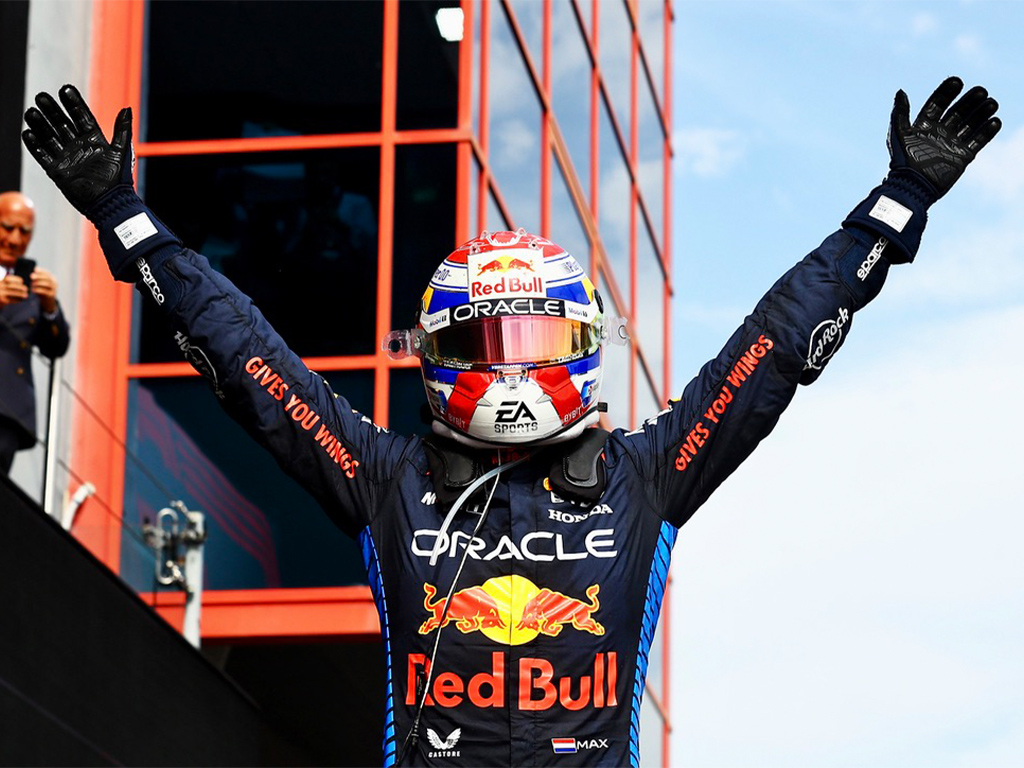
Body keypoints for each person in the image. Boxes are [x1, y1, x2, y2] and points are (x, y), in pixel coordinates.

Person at [22, 77, 1000, 767]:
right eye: (486, 341)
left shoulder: (644, 474)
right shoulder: (386, 480)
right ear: (438, 353)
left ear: (580, 345)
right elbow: (247, 361)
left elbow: (776, 347)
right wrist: (126, 220)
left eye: (536, 338)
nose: (513, 366)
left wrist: (894, 206)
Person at [0, 191, 70, 476]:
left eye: (25, 231)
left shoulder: (32, 290)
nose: (15, 239)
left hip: (7, 410)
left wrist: (50, 307)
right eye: (7, 227)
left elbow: (56, 346)